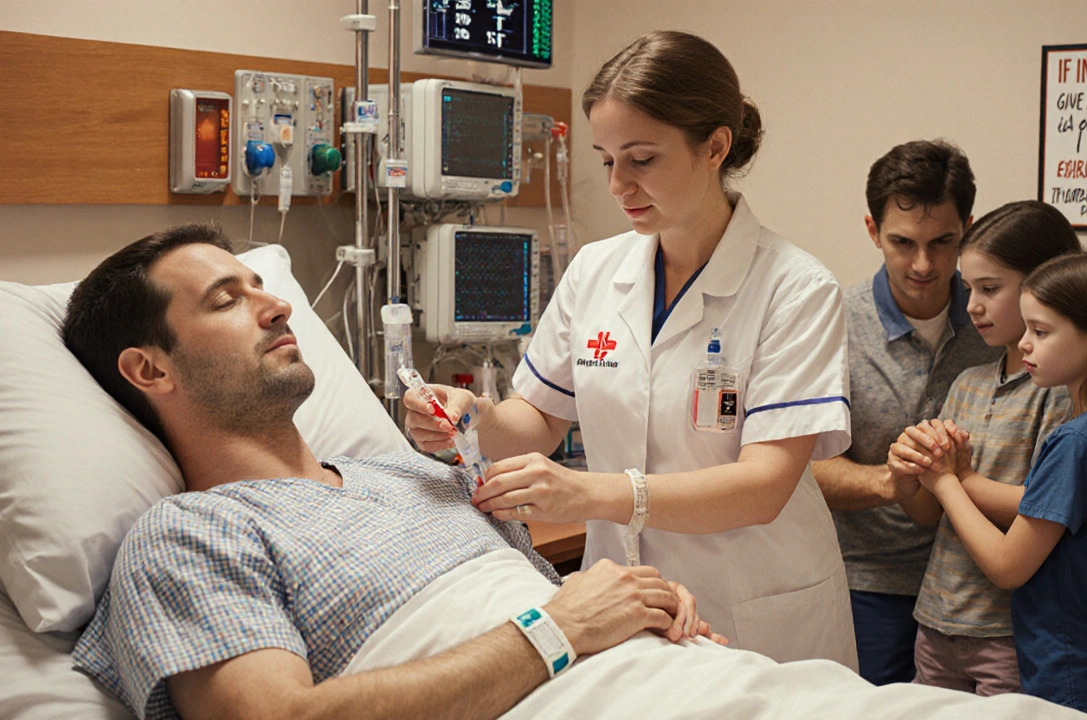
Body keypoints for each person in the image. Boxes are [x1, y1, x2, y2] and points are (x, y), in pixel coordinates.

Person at [61, 225, 721, 720]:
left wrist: (645, 611)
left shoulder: (408, 475)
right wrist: (563, 627)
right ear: (151, 369)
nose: (276, 308)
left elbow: (563, 606)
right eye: (226, 300)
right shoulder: (188, 536)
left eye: (261, 287)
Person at [405, 30, 855, 666]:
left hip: (754, 605)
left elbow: (764, 486)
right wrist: (470, 413)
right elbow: (537, 420)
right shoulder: (595, 270)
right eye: (607, 159)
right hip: (624, 601)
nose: (619, 185)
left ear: (715, 147)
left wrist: (589, 493)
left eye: (642, 159)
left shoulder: (796, 288)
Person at [898, 249, 1087, 719]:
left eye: (1041, 331)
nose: (1026, 344)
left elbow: (1008, 566)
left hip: (1083, 681)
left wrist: (945, 482)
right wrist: (966, 476)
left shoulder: (1077, 442)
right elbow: (1039, 507)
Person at [811, 140, 1001, 684]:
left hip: (982, 586)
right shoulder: (832, 323)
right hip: (872, 584)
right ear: (872, 231)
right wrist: (897, 483)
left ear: (968, 226)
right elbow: (802, 469)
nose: (924, 264)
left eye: (943, 242)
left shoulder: (1002, 323)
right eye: (902, 242)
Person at [884, 201, 1080, 695]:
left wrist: (954, 480)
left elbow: (1041, 507)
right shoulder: (967, 384)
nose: (972, 305)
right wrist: (909, 478)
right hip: (935, 619)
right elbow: (934, 515)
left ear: (1043, 288)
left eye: (989, 289)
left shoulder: (1062, 396)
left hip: (1009, 632)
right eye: (969, 289)